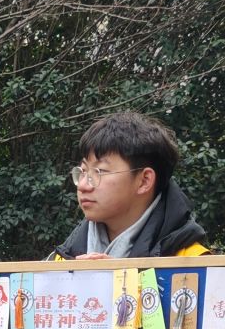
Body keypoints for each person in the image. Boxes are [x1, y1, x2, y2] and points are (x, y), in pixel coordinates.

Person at [54, 112, 209, 261]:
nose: (82, 186)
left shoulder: (194, 264)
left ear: (144, 181)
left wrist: (124, 276)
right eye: (83, 171)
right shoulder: (62, 262)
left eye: (100, 171)